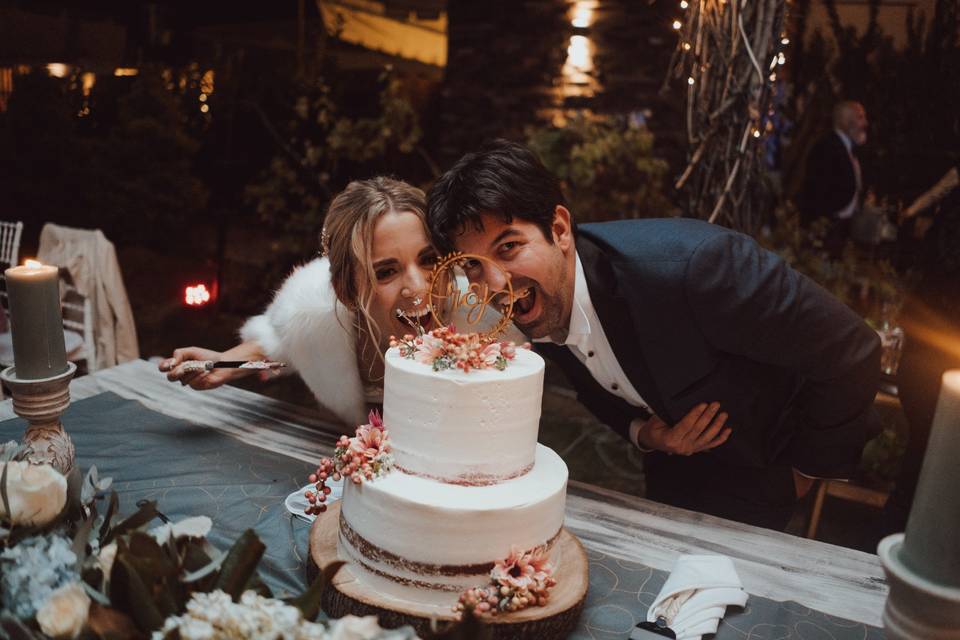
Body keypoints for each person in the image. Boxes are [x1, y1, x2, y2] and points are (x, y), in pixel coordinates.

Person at [427, 139, 881, 530]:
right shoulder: (539, 302)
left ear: (560, 229)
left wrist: (804, 471)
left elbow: (852, 348)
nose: (495, 283)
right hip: (668, 474)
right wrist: (645, 434)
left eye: (509, 247)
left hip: (763, 467)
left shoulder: (695, 269)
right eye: (472, 265)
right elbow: (592, 384)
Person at [159, 177, 440, 428]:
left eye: (428, 259)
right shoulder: (314, 317)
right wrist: (224, 364)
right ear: (346, 290)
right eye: (386, 272)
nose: (417, 288)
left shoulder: (475, 315)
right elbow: (278, 347)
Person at [798, 101, 868, 255]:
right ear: (845, 121)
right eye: (860, 118)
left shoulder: (847, 148)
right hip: (827, 226)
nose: (865, 123)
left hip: (839, 227)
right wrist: (824, 222)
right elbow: (816, 189)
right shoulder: (827, 147)